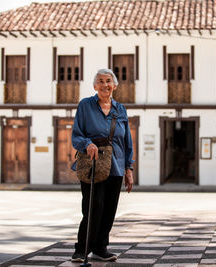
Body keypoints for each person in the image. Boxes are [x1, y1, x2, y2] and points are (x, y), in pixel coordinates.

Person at [71, 68, 134, 262]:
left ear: (114, 85)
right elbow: (76, 134)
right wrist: (87, 143)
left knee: (109, 209)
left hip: (116, 165)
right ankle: (81, 249)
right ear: (94, 86)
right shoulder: (85, 106)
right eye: (100, 81)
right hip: (94, 164)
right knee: (93, 206)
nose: (105, 84)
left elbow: (127, 140)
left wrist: (128, 168)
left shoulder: (120, 109)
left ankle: (100, 248)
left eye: (108, 81)